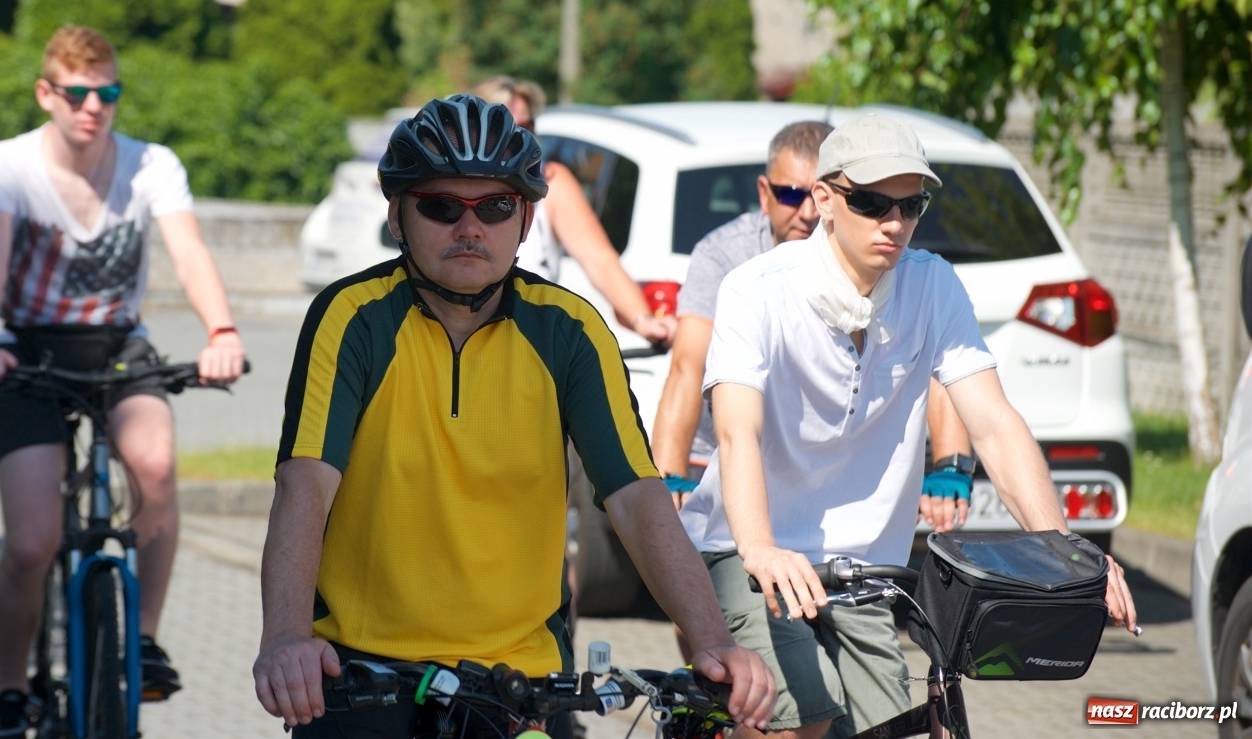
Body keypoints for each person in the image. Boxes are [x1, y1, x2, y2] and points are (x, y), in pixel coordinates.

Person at [253, 95, 776, 738]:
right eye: (441, 207)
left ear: (526, 219)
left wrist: (712, 640)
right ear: (397, 215)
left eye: (496, 207)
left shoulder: (570, 330)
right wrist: (286, 638)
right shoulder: (352, 318)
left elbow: (637, 496)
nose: (469, 227)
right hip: (364, 673)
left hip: (519, 683)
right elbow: (304, 483)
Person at [678, 111, 1138, 739]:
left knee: (901, 727)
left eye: (911, 205)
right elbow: (738, 433)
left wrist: (1062, 552)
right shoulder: (755, 290)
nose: (894, 223)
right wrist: (760, 548)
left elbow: (994, 424)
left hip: (862, 567)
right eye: (870, 203)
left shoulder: (932, 285)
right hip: (747, 547)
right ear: (824, 200)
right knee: (800, 720)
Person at [0, 26, 245, 739]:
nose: (94, 107)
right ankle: (11, 689)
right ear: (46, 93)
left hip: (118, 345)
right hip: (30, 353)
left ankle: (143, 638)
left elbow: (188, 250)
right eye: (78, 93)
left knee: (155, 465)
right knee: (32, 544)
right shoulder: (5, 165)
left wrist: (222, 331)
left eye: (108, 93)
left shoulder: (151, 164)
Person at [652, 120, 974, 534]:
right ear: (764, 193)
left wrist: (950, 462)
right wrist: (667, 476)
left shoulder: (898, 266)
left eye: (910, 205)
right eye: (790, 195)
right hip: (722, 451)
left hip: (826, 475)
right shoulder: (728, 260)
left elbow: (929, 356)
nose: (807, 212)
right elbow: (687, 366)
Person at [470, 76, 676, 348]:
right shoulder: (457, 182)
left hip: (527, 340)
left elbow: (599, 260)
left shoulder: (550, 180)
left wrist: (643, 320)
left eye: (527, 127)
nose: (517, 138)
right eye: (505, 126)